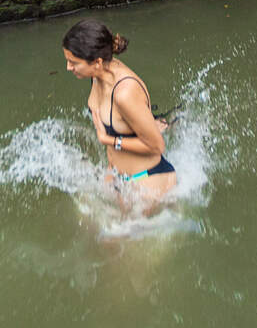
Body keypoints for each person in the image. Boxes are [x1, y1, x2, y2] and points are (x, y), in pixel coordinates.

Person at [62, 19, 176, 204]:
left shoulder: (124, 92)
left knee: (112, 234)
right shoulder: (98, 74)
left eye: (73, 62)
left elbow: (157, 146)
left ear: (97, 62)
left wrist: (108, 140)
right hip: (116, 177)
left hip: (145, 183)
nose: (68, 67)